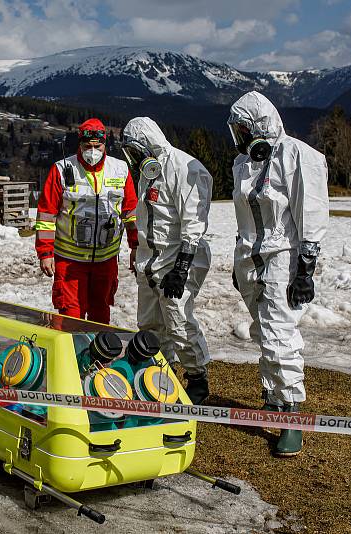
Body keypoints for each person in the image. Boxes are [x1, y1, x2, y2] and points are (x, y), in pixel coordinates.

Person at [227, 91, 329, 457]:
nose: (238, 137)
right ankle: (273, 395)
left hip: (283, 257)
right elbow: (244, 217)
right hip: (251, 258)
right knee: (263, 329)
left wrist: (306, 268)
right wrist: (239, 261)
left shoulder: (299, 156)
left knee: (279, 332)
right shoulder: (244, 164)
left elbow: (311, 214)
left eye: (242, 129)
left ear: (258, 126)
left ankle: (293, 416)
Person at [121, 117, 213, 404]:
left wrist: (182, 268)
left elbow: (193, 223)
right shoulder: (148, 172)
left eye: (137, 150)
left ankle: (197, 378)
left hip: (179, 260)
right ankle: (161, 374)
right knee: (149, 322)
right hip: (151, 262)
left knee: (179, 320)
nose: (135, 158)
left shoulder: (185, 169)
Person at [35, 118, 138, 324]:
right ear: (79, 145)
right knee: (71, 314)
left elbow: (131, 212)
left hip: (106, 259)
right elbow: (46, 215)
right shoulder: (62, 169)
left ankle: (98, 355)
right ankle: (72, 355)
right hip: (69, 261)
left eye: (97, 146)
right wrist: (45, 253)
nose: (92, 151)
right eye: (87, 146)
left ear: (105, 144)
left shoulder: (120, 169)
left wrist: (135, 246)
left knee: (101, 312)